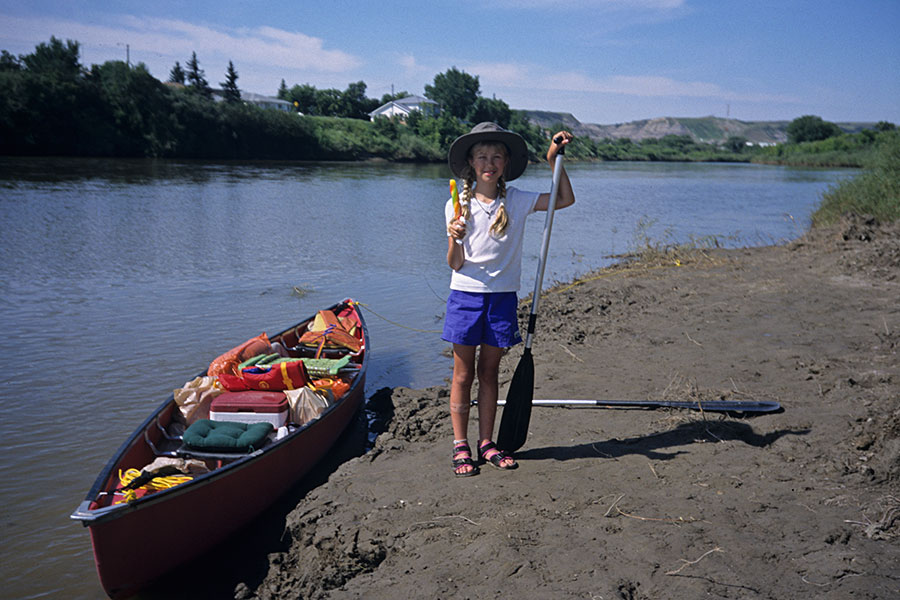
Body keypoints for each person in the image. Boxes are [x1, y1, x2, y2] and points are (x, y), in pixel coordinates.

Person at [443, 122, 575, 477]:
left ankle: (487, 443)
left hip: (501, 300)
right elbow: (455, 263)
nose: (490, 162)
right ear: (471, 162)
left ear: (505, 163)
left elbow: (564, 199)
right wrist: (454, 236)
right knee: (462, 375)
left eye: (497, 156)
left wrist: (553, 160)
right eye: (482, 156)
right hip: (465, 298)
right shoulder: (457, 205)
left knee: (489, 372)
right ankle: (461, 445)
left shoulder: (517, 199)